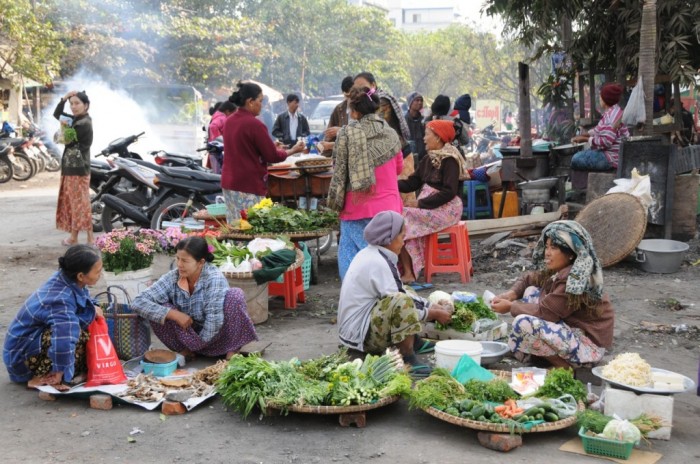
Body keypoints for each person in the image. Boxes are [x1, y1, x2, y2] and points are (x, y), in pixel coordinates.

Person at [337, 211, 453, 375]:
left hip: (356, 329)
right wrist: (432, 313)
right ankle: (407, 358)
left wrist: (429, 305)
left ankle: (415, 342)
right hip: (361, 337)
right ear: (389, 239)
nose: (403, 242)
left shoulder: (372, 253)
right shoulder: (377, 262)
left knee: (406, 291)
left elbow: (400, 291)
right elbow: (399, 300)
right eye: (401, 236)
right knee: (401, 302)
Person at [490, 221, 614, 368]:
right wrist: (511, 294)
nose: (547, 252)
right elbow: (530, 278)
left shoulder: (575, 278)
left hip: (588, 345)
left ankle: (564, 366)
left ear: (570, 253)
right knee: (531, 291)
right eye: (547, 247)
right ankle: (539, 354)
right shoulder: (561, 268)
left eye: (554, 248)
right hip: (569, 327)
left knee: (524, 323)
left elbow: (546, 313)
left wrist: (511, 306)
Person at [132, 237, 258, 360]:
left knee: (235, 295)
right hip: (188, 338)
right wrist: (173, 314)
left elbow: (214, 323)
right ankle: (186, 351)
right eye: (177, 259)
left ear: (201, 262)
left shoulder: (214, 278)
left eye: (185, 261)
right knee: (161, 309)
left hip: (217, 337)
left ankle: (231, 350)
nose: (179, 265)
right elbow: (138, 302)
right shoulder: (173, 277)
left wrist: (197, 345)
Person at [327, 85, 404, 280]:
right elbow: (398, 169)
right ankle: (385, 301)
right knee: (384, 260)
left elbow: (339, 171)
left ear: (354, 112)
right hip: (389, 211)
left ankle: (354, 301)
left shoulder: (347, 135)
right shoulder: (391, 134)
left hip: (356, 208)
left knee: (351, 258)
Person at [3, 245, 103, 391]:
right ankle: (40, 376)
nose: (100, 274)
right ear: (81, 276)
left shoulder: (69, 279)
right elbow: (64, 338)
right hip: (21, 356)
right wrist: (60, 371)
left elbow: (84, 301)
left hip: (34, 341)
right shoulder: (59, 299)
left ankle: (66, 370)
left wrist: (93, 308)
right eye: (98, 272)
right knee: (75, 332)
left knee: (87, 322)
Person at [221, 81, 305, 223]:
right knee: (251, 229)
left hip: (229, 183)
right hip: (247, 185)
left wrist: (271, 145)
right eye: (260, 101)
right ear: (250, 102)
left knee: (236, 227)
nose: (262, 105)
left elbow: (244, 148)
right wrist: (293, 150)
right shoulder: (255, 124)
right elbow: (271, 156)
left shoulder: (229, 121)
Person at [398, 120, 467, 283]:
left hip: (447, 208)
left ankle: (409, 272)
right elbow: (412, 182)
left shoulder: (450, 159)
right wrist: (390, 185)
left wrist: (420, 204)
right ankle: (411, 269)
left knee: (403, 217)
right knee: (399, 217)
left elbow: (449, 192)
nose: (423, 138)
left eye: (427, 134)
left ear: (438, 137)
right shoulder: (429, 159)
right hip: (431, 206)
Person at [53, 90, 94, 246]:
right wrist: (64, 98)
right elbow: (57, 114)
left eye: (77, 103)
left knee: (79, 204)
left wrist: (62, 130)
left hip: (77, 169)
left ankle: (86, 238)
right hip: (72, 168)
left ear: (86, 105)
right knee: (77, 204)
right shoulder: (76, 120)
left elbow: (65, 139)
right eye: (72, 104)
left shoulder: (83, 123)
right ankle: (76, 237)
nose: (73, 107)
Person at [571, 83, 629, 170]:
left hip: (612, 158)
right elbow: (597, 130)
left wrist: (585, 139)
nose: (599, 99)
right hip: (612, 155)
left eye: (600, 97)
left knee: (576, 159)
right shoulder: (613, 111)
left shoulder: (611, 117)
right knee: (582, 155)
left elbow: (606, 141)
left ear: (606, 100)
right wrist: (582, 136)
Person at [322, 75, 354, 157]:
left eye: (352, 96)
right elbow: (328, 139)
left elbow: (363, 135)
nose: (349, 100)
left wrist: (341, 131)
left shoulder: (364, 108)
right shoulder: (339, 109)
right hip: (341, 158)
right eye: (347, 96)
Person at [207, 101, 236, 173]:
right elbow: (213, 127)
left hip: (215, 150)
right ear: (227, 111)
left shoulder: (217, 117)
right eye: (233, 113)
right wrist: (219, 140)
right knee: (219, 175)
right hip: (219, 150)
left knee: (217, 173)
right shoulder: (223, 118)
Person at [404, 92, 426, 162]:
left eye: (421, 100)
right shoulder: (403, 121)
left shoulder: (424, 121)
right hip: (408, 159)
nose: (420, 103)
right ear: (410, 103)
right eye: (417, 100)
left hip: (423, 159)